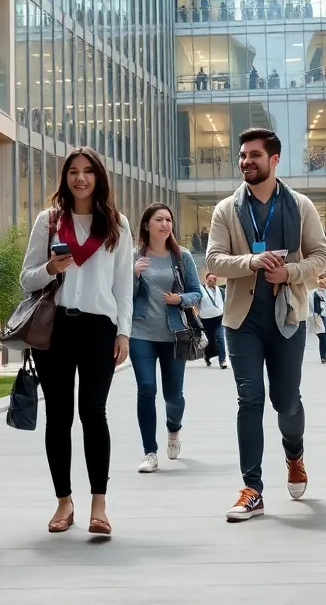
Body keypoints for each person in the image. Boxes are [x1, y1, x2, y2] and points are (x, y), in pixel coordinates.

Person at [206, 128, 326, 522]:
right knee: (250, 399)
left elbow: (321, 256)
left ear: (273, 160)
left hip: (287, 317)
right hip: (242, 321)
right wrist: (251, 263)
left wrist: (290, 272)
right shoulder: (227, 209)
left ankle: (294, 454)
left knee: (286, 400)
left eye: (254, 155)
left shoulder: (300, 205)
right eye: (242, 155)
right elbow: (213, 261)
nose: (246, 161)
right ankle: (252, 488)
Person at [21, 147, 132, 540]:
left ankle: (99, 505)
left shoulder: (115, 224)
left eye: (87, 171)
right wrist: (50, 268)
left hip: (99, 330)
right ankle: (64, 501)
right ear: (65, 177)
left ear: (99, 177)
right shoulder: (49, 221)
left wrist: (124, 333)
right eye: (73, 172)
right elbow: (26, 278)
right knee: (59, 417)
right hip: (55, 330)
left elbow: (124, 286)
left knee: (93, 414)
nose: (80, 178)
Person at [130, 203, 202, 474]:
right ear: (147, 224)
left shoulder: (181, 257)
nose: (165, 224)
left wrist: (179, 299)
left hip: (174, 334)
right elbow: (125, 294)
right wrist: (134, 274)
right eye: (159, 219)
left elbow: (197, 293)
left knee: (174, 396)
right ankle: (150, 452)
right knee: (146, 389)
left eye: (169, 220)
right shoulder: (134, 257)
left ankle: (174, 429)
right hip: (141, 333)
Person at [199, 271, 227, 369]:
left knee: (220, 338)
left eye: (214, 280)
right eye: (210, 280)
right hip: (206, 320)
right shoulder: (201, 290)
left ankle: (222, 360)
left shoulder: (220, 290)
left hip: (218, 319)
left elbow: (225, 301)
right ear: (206, 280)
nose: (213, 281)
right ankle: (207, 356)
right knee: (209, 341)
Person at [311, 276, 326, 364]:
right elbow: (310, 304)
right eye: (320, 281)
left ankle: (323, 357)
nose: (322, 283)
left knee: (325, 336)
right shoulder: (313, 292)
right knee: (323, 336)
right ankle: (323, 357)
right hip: (317, 316)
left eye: (323, 281)